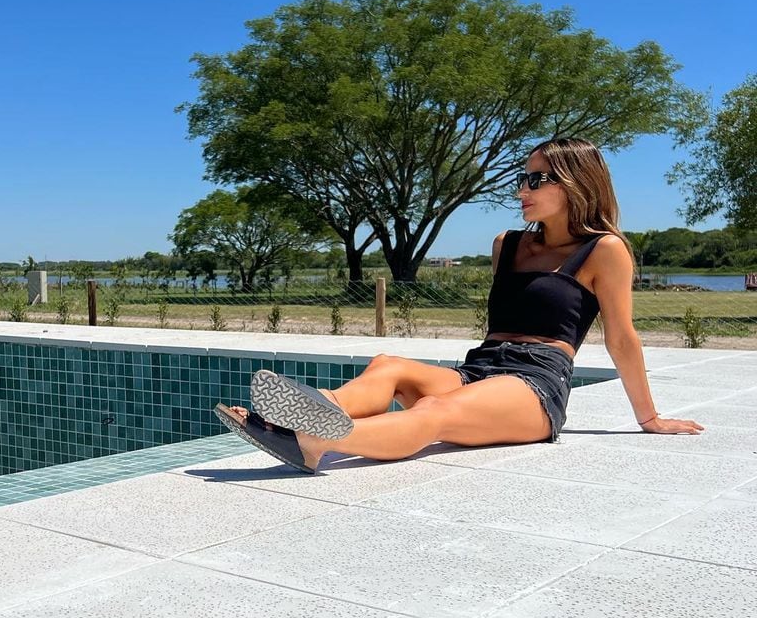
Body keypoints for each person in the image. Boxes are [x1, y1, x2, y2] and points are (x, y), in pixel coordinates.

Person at [215, 138, 704, 473]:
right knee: (388, 366)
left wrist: (649, 418)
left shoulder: (604, 250)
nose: (522, 190)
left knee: (434, 411)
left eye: (537, 180)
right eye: (523, 178)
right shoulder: (506, 244)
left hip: (534, 383)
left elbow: (621, 337)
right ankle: (306, 415)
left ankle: (316, 444)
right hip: (480, 367)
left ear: (576, 183)